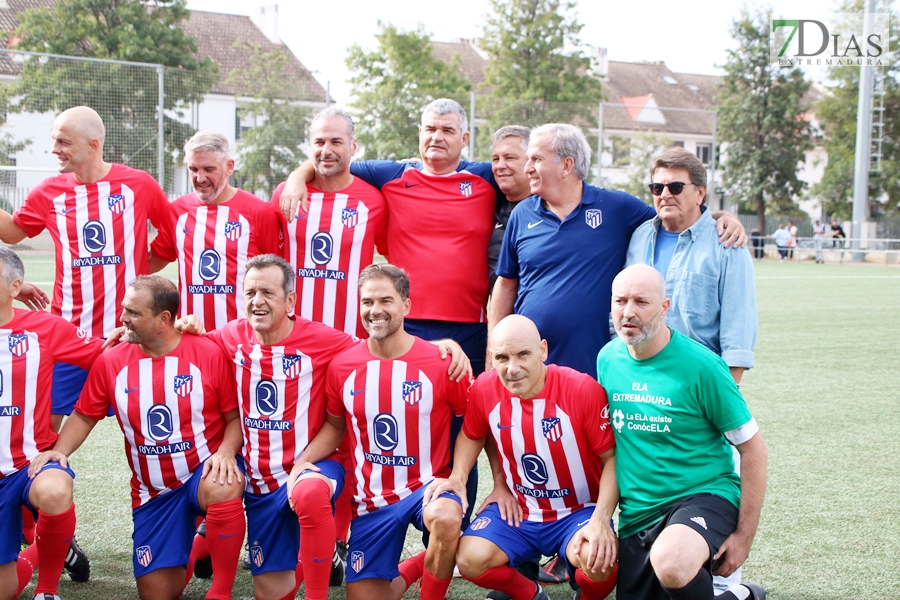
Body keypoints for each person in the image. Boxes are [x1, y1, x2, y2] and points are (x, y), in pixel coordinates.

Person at [177, 255, 470, 600]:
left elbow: (387, 351)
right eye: (251, 292)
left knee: (317, 493)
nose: (258, 301)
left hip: (378, 479)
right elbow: (191, 345)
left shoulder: (330, 342)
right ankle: (374, 559)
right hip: (306, 488)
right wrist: (182, 327)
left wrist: (439, 347)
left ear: (289, 301)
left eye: (268, 292)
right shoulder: (234, 337)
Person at [0, 105, 169, 581]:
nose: (53, 150)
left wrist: (138, 275)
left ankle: (180, 528)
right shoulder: (50, 191)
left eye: (62, 142)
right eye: (54, 141)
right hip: (69, 343)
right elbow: (15, 231)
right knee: (42, 448)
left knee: (163, 437)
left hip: (134, 344)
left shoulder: (139, 185)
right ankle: (56, 539)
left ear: (93, 145)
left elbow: (171, 243)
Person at [29, 276, 245, 600]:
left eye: (132, 312)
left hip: (201, 475)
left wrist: (227, 451)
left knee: (223, 484)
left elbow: (234, 418)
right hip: (153, 493)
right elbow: (85, 414)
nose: (122, 319)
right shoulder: (111, 361)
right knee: (156, 594)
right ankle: (192, 550)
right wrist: (59, 451)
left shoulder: (207, 352)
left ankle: (221, 591)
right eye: (123, 309)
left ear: (164, 319)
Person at [490, 124, 746, 376]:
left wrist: (722, 218)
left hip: (594, 364)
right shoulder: (523, 213)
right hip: (529, 364)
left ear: (566, 165)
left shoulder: (615, 208)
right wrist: (494, 350)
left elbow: (674, 215)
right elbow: (506, 284)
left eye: (536, 158)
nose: (527, 167)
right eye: (657, 188)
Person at [280, 98, 499, 376]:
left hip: (470, 325)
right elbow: (333, 161)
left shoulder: (486, 178)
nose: (437, 137)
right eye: (430, 129)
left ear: (465, 138)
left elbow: (521, 173)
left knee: (463, 410)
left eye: (447, 130)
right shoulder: (391, 174)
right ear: (420, 133)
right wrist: (297, 176)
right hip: (404, 321)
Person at [292, 263, 470, 600]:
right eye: (367, 302)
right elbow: (334, 426)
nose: (375, 310)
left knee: (446, 518)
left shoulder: (442, 362)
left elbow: (473, 426)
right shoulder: (342, 365)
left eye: (386, 301)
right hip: (371, 500)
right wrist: (303, 462)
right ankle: (423, 562)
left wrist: (458, 477)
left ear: (406, 305)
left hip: (426, 488)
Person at [625, 147, 758, 593]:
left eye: (676, 186)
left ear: (700, 191)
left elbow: (738, 336)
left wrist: (717, 403)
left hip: (704, 398)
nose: (665, 194)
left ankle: (730, 588)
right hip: (646, 395)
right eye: (657, 187)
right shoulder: (640, 235)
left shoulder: (726, 242)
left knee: (716, 481)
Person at [596, 265, 768, 600]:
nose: (628, 312)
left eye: (641, 302)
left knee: (672, 562)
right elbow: (612, 450)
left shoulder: (703, 367)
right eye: (620, 301)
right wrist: (600, 518)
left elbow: (754, 450)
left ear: (664, 307)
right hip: (639, 512)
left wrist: (744, 537)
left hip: (703, 495)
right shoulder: (607, 359)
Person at [426, 314, 618, 600]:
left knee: (598, 559)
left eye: (523, 354)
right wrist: (458, 478)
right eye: (502, 358)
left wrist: (601, 519)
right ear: (492, 357)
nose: (512, 368)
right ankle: (530, 594)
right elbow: (472, 433)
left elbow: (613, 458)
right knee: (469, 559)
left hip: (578, 511)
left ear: (542, 350)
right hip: (520, 509)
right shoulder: (484, 388)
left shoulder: (582, 389)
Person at [0, 247, 104, 600]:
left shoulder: (44, 328)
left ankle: (47, 589)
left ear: (14, 287)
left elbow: (105, 354)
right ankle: (55, 549)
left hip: (26, 467)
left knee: (55, 489)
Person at [271, 107, 388, 339]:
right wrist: (296, 177)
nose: (326, 150)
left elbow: (393, 255)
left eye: (336, 142)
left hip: (350, 338)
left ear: (353, 147)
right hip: (292, 335)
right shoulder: (285, 195)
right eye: (319, 142)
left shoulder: (374, 201)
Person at [149, 130, 282, 331]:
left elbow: (279, 275)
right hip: (191, 334)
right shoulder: (176, 212)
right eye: (193, 169)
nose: (200, 178)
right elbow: (155, 258)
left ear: (229, 167)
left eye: (208, 169)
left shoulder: (259, 212)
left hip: (243, 338)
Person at [489, 126, 533, 292]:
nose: (500, 165)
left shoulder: (550, 208)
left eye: (509, 157)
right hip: (497, 315)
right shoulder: (489, 201)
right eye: (495, 159)